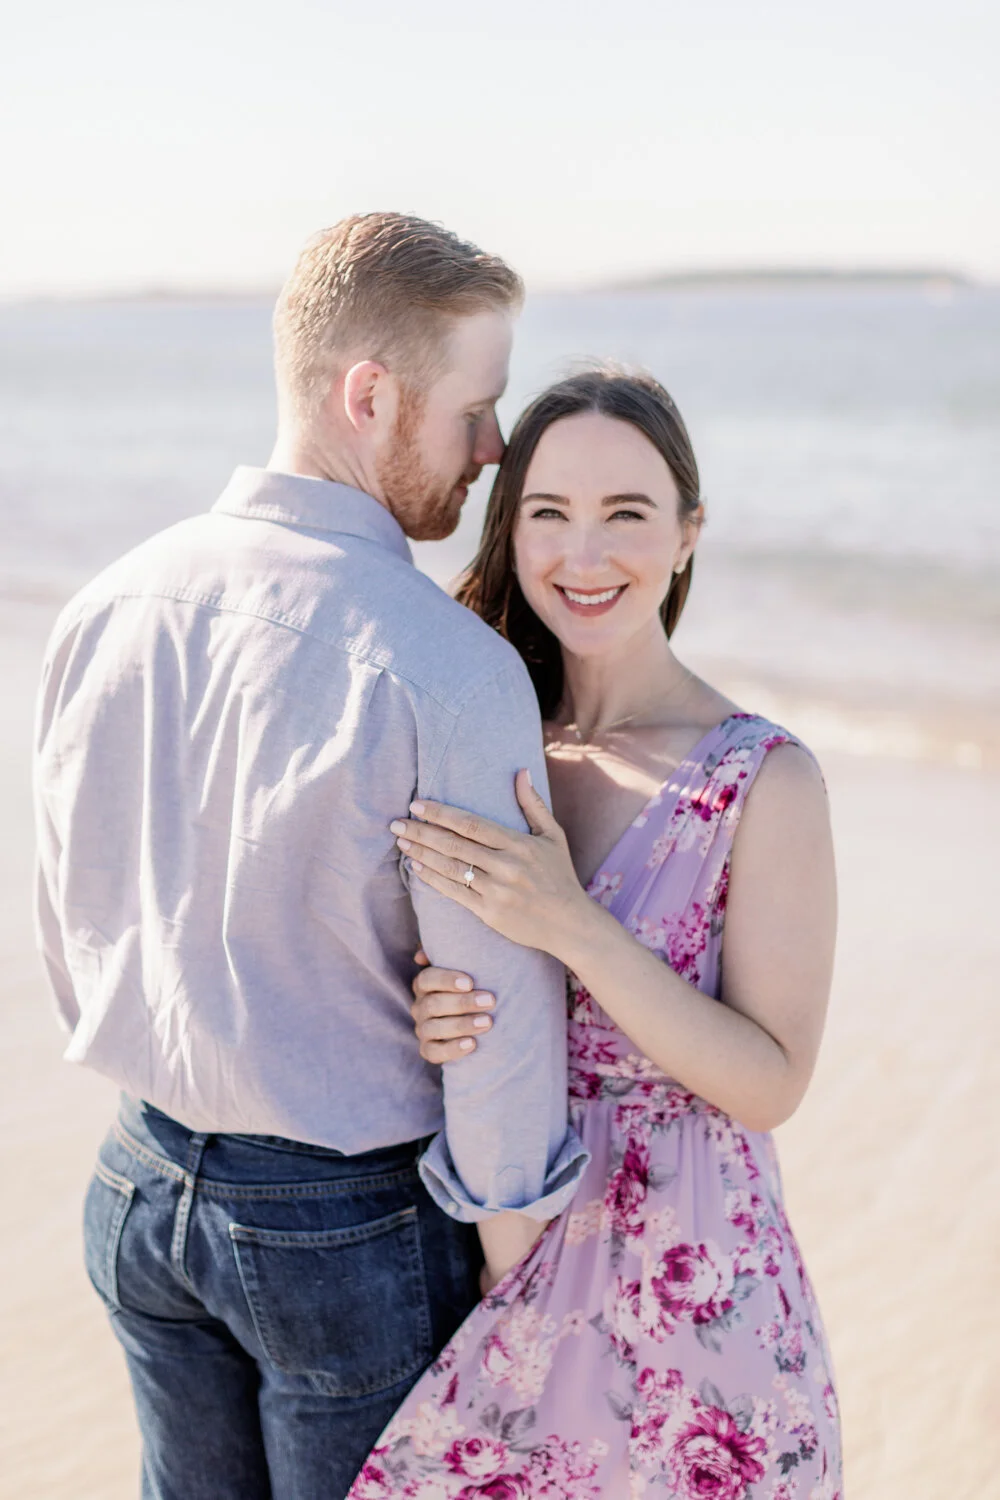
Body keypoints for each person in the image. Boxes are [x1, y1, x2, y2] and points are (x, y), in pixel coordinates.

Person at [32, 213, 587, 1499]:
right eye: (477, 406)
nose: (493, 448)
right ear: (368, 395)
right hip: (340, 1229)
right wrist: (518, 1268)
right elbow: (494, 1017)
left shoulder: (108, 603)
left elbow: (72, 922)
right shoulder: (447, 667)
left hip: (135, 1183)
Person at [351, 370, 843, 1497]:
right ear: (510, 533)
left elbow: (768, 1082)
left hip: (700, 1296)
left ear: (685, 537)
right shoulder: (489, 745)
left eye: (626, 513)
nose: (585, 552)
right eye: (548, 513)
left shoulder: (762, 780)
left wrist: (571, 925)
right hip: (510, 1255)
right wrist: (437, 1009)